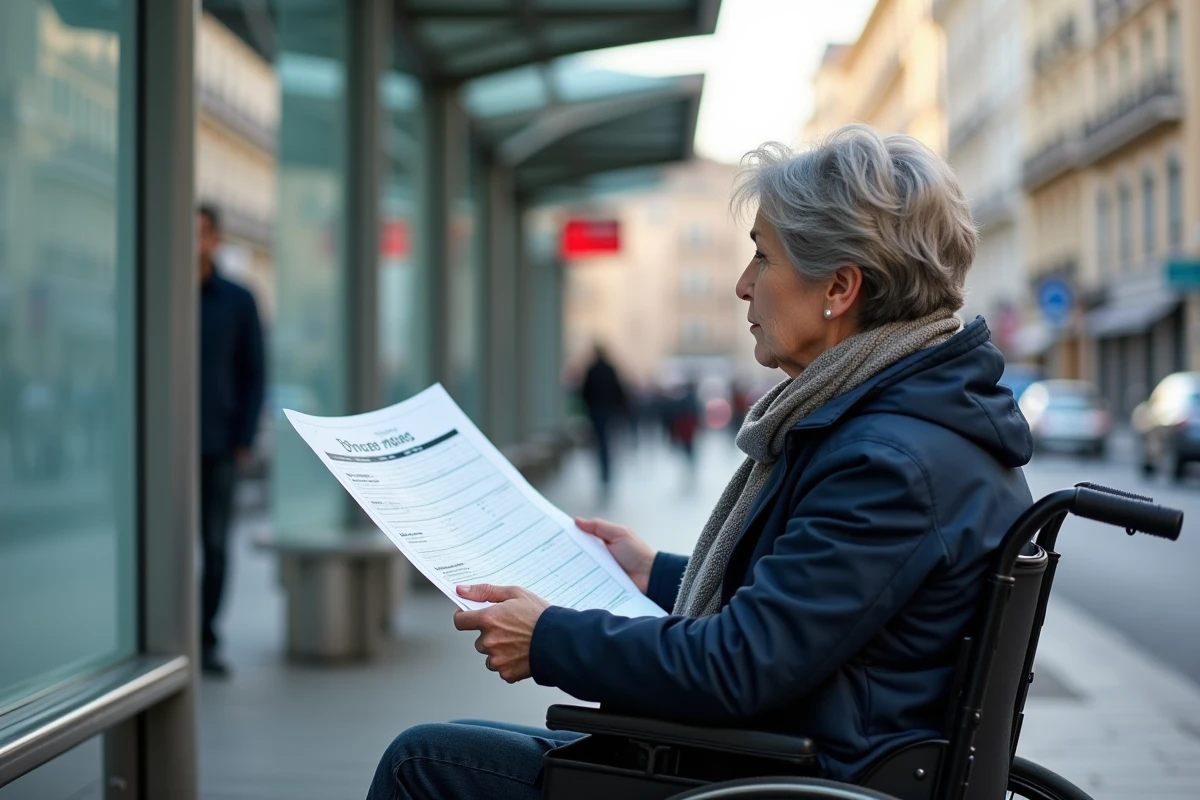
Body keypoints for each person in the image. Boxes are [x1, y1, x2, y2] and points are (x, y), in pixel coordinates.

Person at [365, 125, 1034, 798]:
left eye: (763, 258)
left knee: (421, 764)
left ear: (839, 287)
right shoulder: (909, 426)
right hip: (808, 756)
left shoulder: (890, 462)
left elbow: (738, 666)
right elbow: (809, 608)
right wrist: (655, 573)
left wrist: (547, 640)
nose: (743, 285)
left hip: (789, 778)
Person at [197, 203, 265, 678]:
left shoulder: (239, 299)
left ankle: (205, 639)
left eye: (201, 233)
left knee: (216, 545)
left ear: (216, 239)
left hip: (219, 442)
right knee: (162, 548)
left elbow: (254, 372)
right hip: (164, 448)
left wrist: (243, 437)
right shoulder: (158, 293)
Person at [578, 344, 628, 496]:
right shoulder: (610, 369)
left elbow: (584, 392)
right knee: (607, 443)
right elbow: (619, 391)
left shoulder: (592, 370)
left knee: (600, 443)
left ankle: (604, 473)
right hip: (609, 411)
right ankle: (607, 473)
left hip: (596, 411)